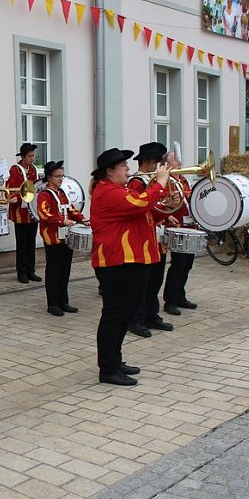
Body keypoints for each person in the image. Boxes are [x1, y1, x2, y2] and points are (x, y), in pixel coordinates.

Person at [90, 148, 170, 386]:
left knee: (125, 315)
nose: (127, 168)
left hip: (131, 261)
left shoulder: (121, 190)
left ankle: (116, 360)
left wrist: (167, 208)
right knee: (114, 316)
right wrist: (161, 184)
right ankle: (108, 368)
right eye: (123, 165)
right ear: (110, 171)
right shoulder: (107, 192)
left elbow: (142, 214)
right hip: (116, 263)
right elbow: (140, 203)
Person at [126, 143, 175, 337]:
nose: (158, 167)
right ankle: (136, 320)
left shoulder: (150, 180)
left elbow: (151, 209)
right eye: (156, 162)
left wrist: (166, 211)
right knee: (141, 284)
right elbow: (140, 206)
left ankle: (151, 315)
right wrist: (160, 190)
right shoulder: (137, 182)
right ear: (147, 162)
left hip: (154, 237)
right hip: (142, 240)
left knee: (154, 281)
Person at [36, 160, 86, 316]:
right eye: (58, 176)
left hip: (66, 238)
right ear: (49, 177)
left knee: (65, 271)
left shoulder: (62, 193)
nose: (61, 179)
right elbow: (44, 214)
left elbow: (71, 209)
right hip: (52, 238)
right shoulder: (44, 195)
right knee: (53, 272)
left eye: (62, 176)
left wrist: (82, 219)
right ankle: (53, 304)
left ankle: (64, 301)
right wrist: (62, 221)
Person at [161, 153, 199, 315]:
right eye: (175, 159)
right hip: (177, 226)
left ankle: (180, 295)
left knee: (187, 264)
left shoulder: (182, 179)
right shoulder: (166, 181)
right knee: (178, 264)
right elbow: (163, 203)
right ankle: (169, 301)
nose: (180, 161)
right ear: (167, 164)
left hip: (190, 226)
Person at [7, 143, 42, 283]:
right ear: (23, 156)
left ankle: (30, 270)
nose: (32, 158)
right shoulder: (15, 169)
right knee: (22, 244)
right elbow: (11, 187)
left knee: (31, 243)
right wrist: (13, 197)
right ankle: (21, 272)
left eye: (33, 156)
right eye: (30, 156)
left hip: (32, 211)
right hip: (20, 212)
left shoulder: (34, 169)